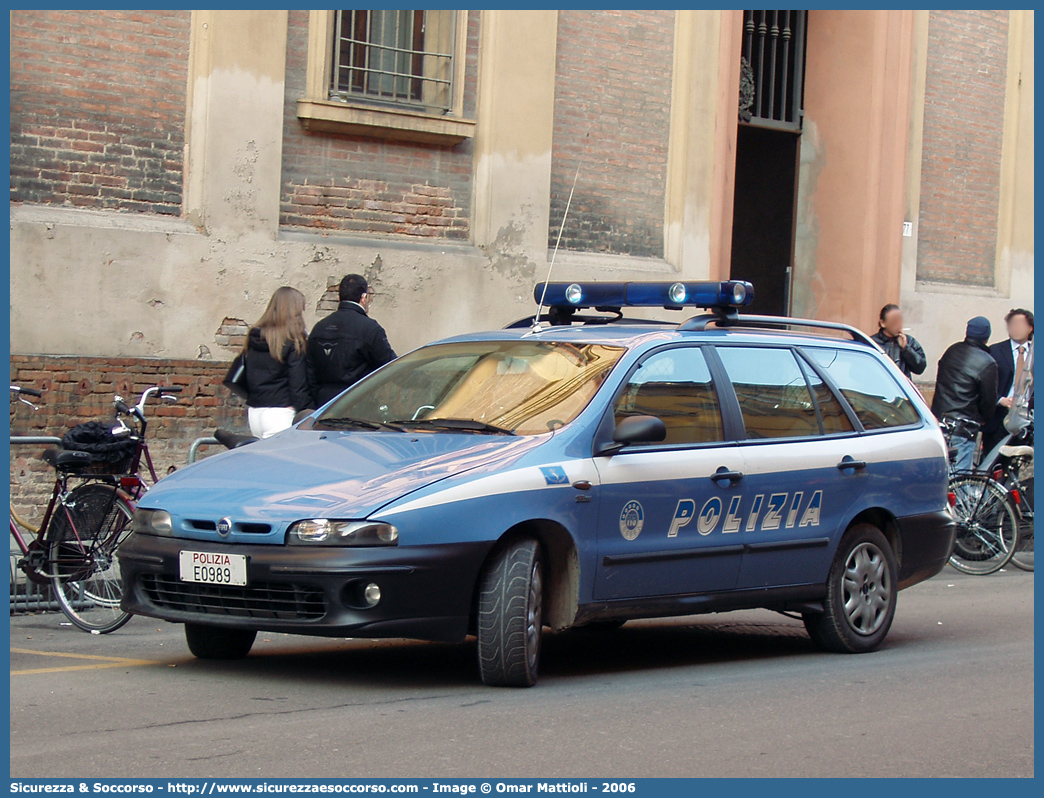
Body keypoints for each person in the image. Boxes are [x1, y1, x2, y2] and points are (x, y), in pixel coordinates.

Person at [307, 274, 397, 406]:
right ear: (364, 298)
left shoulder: (319, 328)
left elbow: (310, 373)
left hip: (324, 406)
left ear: (339, 297)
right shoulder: (370, 329)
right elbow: (388, 366)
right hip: (357, 403)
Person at [242, 286, 313, 438]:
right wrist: (309, 412)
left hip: (255, 412)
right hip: (281, 412)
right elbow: (298, 385)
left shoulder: (254, 336)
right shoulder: (292, 341)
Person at [931, 316, 999, 471]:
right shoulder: (987, 362)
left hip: (940, 421)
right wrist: (984, 419)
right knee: (960, 479)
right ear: (986, 336)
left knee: (942, 475)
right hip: (964, 426)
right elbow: (988, 401)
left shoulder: (952, 350)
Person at [982, 308, 1034, 455]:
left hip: (1025, 417)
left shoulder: (1035, 353)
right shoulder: (995, 351)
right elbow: (985, 384)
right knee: (993, 459)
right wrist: (1000, 400)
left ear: (1030, 328)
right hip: (999, 415)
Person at [871, 303, 927, 379]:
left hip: (899, 388)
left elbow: (920, 368)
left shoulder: (909, 341)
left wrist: (906, 349)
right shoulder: (872, 342)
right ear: (883, 323)